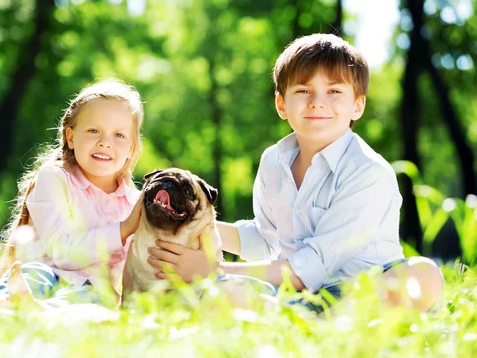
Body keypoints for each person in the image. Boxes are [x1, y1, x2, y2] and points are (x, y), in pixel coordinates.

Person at [148, 34, 444, 313]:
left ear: (358, 105)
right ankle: (302, 321)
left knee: (422, 275)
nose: (317, 102)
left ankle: (333, 326)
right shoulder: (273, 162)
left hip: (363, 295)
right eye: (303, 91)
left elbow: (311, 266)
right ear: (281, 104)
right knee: (226, 294)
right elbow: (266, 240)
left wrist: (215, 270)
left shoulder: (368, 172)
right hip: (293, 296)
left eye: (334, 91)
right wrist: (194, 222)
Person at [0, 79, 144, 308]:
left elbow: (140, 268)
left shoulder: (134, 203)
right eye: (94, 130)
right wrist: (124, 229)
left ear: (131, 148)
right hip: (46, 275)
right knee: (33, 276)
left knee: (90, 300)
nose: (105, 142)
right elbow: (61, 252)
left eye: (119, 135)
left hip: (93, 292)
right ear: (71, 137)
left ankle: (37, 312)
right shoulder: (54, 178)